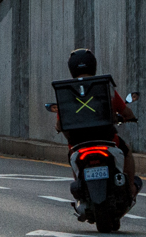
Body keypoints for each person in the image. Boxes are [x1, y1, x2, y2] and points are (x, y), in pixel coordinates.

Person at [59, 48, 140, 191]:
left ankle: (81, 188)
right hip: (107, 140)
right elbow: (126, 112)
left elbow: (59, 124)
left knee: (72, 158)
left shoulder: (66, 92)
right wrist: (129, 117)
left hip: (77, 144)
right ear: (93, 65)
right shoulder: (104, 86)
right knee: (126, 150)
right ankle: (131, 187)